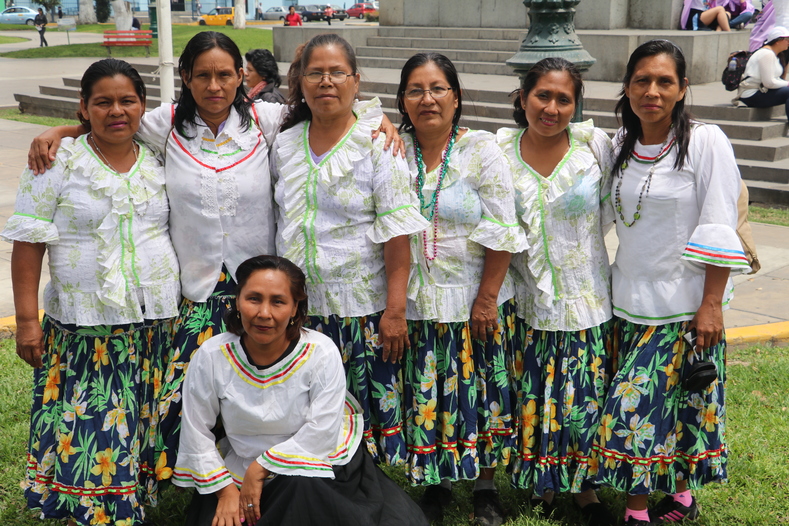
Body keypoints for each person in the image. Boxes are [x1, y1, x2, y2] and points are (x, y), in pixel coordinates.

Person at [26, 31, 403, 483]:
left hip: (261, 288)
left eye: (225, 74)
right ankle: (187, 480)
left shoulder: (265, 121)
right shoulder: (164, 124)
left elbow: (326, 104)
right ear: (185, 77)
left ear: (241, 77)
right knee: (180, 394)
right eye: (202, 75)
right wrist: (61, 131)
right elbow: (111, 120)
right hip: (197, 289)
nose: (214, 86)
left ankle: (294, 478)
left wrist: (377, 120)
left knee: (277, 389)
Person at [2, 58, 180, 526]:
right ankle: (95, 507)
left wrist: (62, 127)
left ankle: (132, 496)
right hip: (86, 321)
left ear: (144, 106)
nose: (116, 111)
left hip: (154, 316)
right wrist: (26, 322)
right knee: (93, 420)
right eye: (103, 102)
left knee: (137, 414)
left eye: (127, 100)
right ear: (83, 107)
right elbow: (29, 242)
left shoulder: (158, 154)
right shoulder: (55, 161)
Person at [587, 39, 750, 526]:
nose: (651, 91)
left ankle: (637, 512)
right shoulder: (618, 144)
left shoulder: (705, 141)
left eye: (664, 82)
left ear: (682, 89)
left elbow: (719, 222)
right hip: (626, 301)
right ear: (626, 87)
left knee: (635, 414)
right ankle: (680, 498)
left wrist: (712, 304)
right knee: (666, 413)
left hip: (683, 308)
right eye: (642, 80)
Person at [271, 34, 429, 471]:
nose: (326, 81)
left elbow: (398, 235)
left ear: (355, 81)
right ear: (300, 82)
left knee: (362, 410)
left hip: (360, 310)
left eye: (337, 72)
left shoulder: (379, 143)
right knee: (305, 412)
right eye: (315, 72)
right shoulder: (285, 143)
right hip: (299, 312)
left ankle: (365, 496)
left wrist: (394, 310)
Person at [173, 255, 428, 526]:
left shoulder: (320, 352)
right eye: (254, 298)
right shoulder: (213, 354)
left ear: (296, 308)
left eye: (278, 301)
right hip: (241, 462)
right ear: (237, 301)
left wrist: (260, 469)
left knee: (302, 494)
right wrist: (224, 492)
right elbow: (196, 428)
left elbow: (322, 430)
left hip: (313, 459)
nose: (264, 313)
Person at [396, 52, 527, 526]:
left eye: (437, 88)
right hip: (417, 300)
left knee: (484, 392)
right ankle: (435, 481)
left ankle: (485, 488)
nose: (427, 99)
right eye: (415, 90)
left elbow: (502, 227)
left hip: (476, 298)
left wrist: (487, 299)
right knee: (430, 392)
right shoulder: (392, 148)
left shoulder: (481, 150)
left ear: (456, 97)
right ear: (403, 100)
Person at [497, 57, 616, 526]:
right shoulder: (497, 150)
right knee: (536, 396)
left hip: (587, 298)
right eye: (542, 96)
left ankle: (586, 490)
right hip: (528, 303)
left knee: (582, 397)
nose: (552, 107)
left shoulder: (596, 147)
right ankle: (542, 484)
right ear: (522, 98)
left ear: (576, 103)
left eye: (563, 99)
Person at [738, 26, 789, 120]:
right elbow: (769, 83)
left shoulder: (773, 54)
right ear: (777, 41)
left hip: (761, 91)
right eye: (787, 39)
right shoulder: (767, 54)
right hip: (751, 95)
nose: (788, 42)